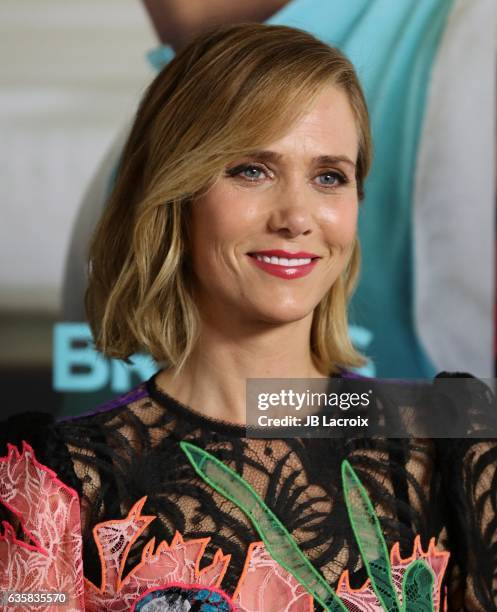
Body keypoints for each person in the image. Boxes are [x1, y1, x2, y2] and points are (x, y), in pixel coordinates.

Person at [1, 24, 495, 611]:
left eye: (329, 176)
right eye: (251, 169)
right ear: (174, 192)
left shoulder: (447, 436)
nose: (296, 216)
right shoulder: (54, 481)